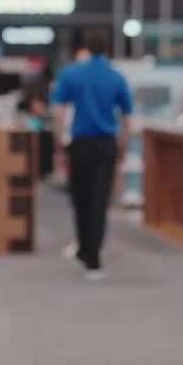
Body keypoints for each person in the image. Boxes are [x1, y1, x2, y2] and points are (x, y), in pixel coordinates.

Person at [51, 29, 134, 281]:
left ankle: (83, 250)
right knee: (99, 202)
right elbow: (128, 118)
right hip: (106, 144)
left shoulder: (71, 74)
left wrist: (59, 145)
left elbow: (58, 113)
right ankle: (94, 259)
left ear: (84, 48)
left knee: (81, 199)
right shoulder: (117, 77)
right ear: (107, 49)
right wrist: (122, 146)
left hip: (81, 144)